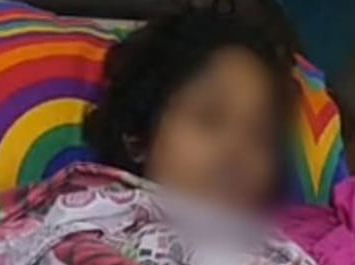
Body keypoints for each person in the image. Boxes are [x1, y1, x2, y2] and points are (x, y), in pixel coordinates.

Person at [84, 5, 296, 212]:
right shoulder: (87, 220)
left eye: (261, 136)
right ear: (138, 139)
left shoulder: (302, 232)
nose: (236, 148)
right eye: (209, 117)